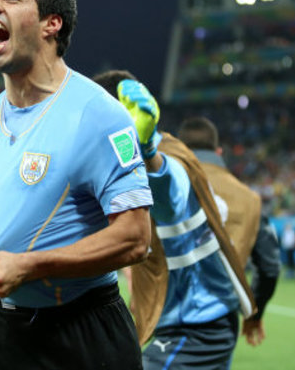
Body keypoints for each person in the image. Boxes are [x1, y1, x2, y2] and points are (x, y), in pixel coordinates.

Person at [0, 0, 152, 370]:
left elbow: (135, 237)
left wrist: (30, 266)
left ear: (51, 23)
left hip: (82, 332)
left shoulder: (99, 115)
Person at [93, 69, 257, 370]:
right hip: (192, 321)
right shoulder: (121, 162)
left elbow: (170, 199)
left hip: (195, 326)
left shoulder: (165, 153)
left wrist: (145, 151)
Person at [177, 116, 280, 348]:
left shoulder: (162, 185)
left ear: (180, 149)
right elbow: (270, 267)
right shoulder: (250, 199)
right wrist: (254, 314)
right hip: (220, 317)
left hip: (164, 311)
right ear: (219, 152)